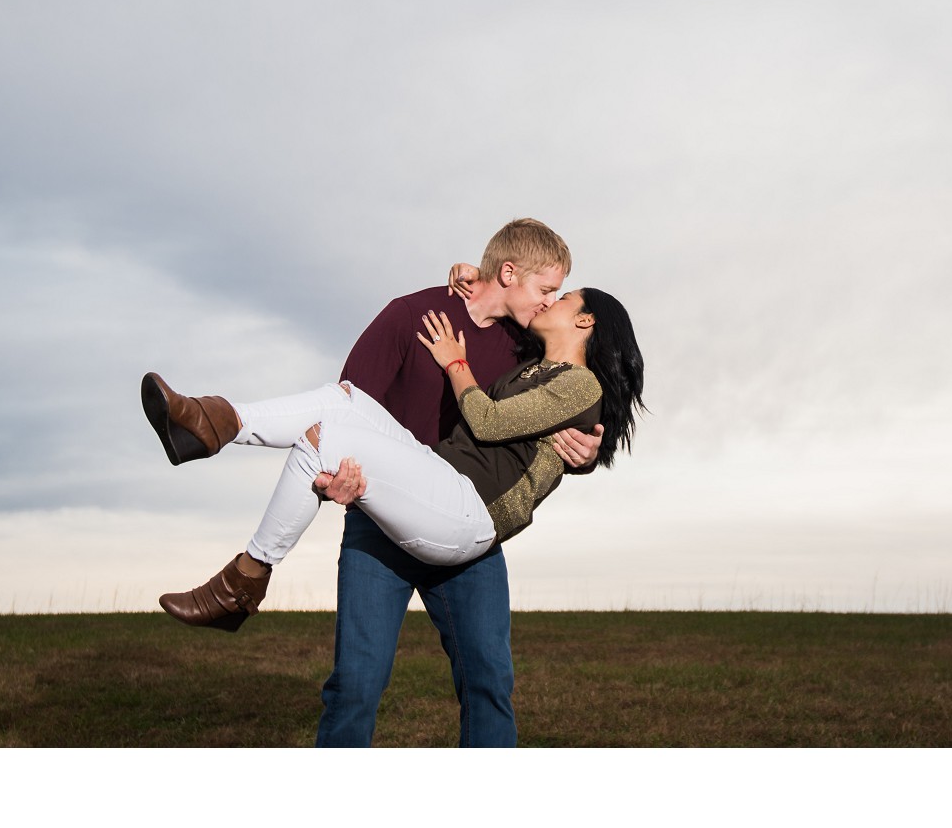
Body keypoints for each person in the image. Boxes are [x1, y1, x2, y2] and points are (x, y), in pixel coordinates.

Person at [141, 219, 607, 747]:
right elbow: (345, 415)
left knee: (489, 681)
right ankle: (213, 423)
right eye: (546, 290)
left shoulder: (526, 349)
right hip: (379, 513)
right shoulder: (411, 315)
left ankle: (216, 438)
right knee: (355, 685)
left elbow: (553, 417)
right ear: (507, 272)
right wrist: (335, 482)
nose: (549, 304)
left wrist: (588, 452)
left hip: (464, 514)